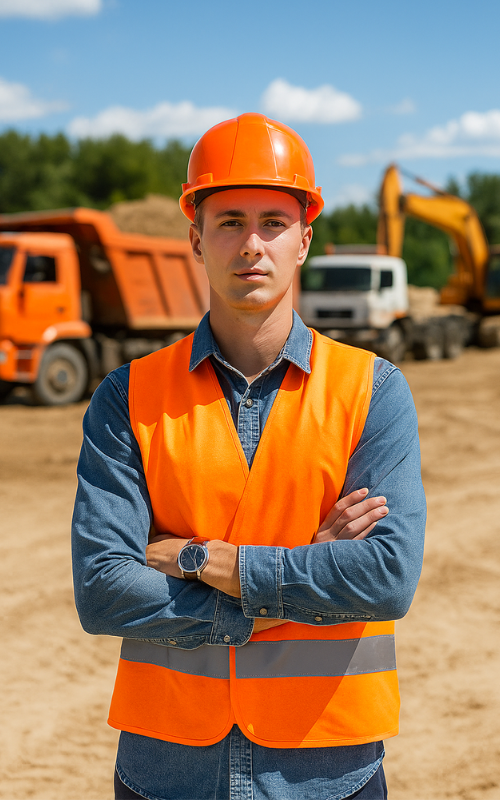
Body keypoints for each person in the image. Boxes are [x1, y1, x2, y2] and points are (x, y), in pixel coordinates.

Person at [72, 112, 426, 800]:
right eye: (229, 221)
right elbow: (103, 588)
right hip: (166, 772)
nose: (252, 244)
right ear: (196, 239)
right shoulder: (129, 396)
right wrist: (298, 577)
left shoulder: (372, 390)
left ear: (304, 241)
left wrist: (200, 558)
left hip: (327, 770)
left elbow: (385, 577)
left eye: (273, 221)